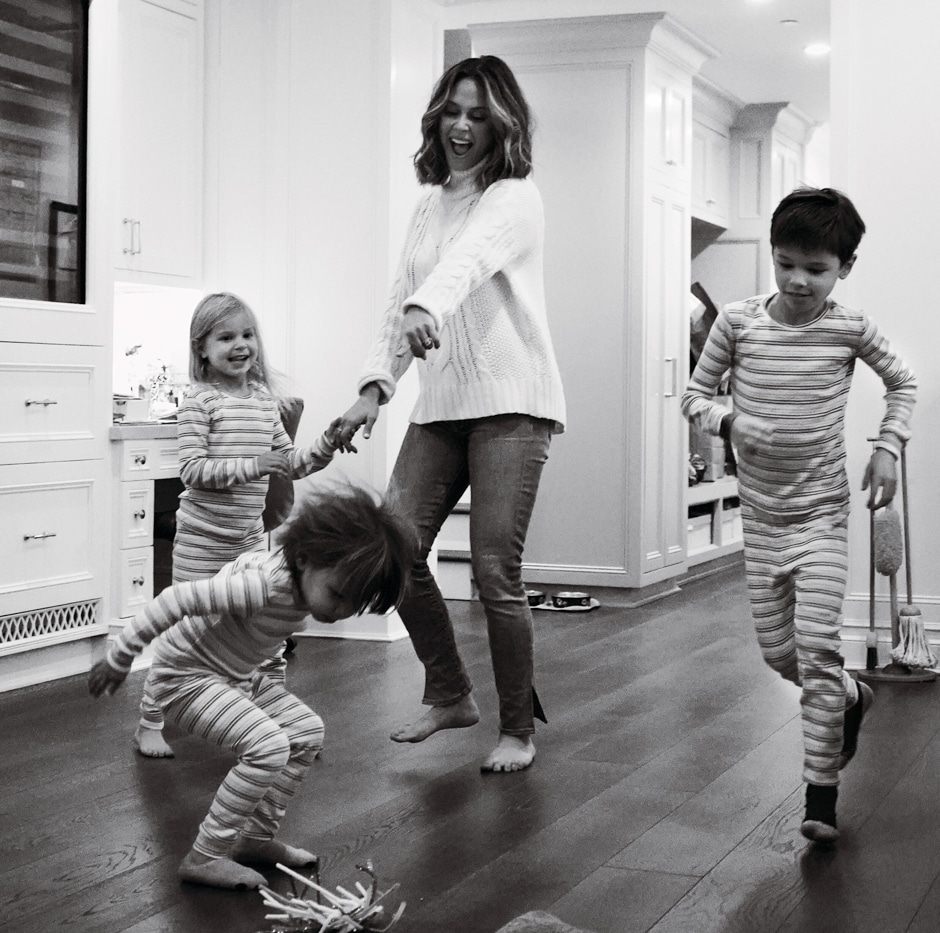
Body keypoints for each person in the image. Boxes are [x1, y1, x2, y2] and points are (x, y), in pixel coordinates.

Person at [332, 56, 566, 774]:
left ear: (504, 123)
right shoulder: (428, 203)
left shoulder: (516, 198)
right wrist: (375, 384)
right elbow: (401, 295)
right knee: (392, 548)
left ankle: (517, 729)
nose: (462, 126)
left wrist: (424, 305)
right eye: (452, 112)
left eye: (478, 114)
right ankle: (449, 690)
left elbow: (462, 265)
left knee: (496, 568)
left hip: (513, 406)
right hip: (443, 406)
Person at [681, 187, 916, 844]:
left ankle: (820, 797)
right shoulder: (736, 322)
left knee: (815, 650)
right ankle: (852, 697)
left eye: (816, 269)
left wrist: (888, 446)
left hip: (822, 517)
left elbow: (904, 382)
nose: (798, 280)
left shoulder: (847, 327)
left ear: (844, 267)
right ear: (774, 256)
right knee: (780, 652)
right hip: (760, 520)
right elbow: (695, 397)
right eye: (786, 263)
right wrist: (731, 420)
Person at [89, 485, 414, 890]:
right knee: (268, 747)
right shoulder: (261, 586)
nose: (340, 611)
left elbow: (268, 644)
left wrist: (267, 697)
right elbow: (174, 600)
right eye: (337, 595)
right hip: (186, 677)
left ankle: (255, 840)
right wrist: (120, 658)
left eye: (355, 605)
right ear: (302, 558)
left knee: (306, 732)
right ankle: (205, 856)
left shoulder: (301, 591)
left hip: (235, 674)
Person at [135, 291, 344, 758]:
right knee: (184, 632)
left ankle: (273, 713)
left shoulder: (263, 401)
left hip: (248, 541)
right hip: (201, 541)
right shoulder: (199, 403)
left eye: (247, 334)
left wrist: (327, 443)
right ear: (202, 350)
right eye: (225, 336)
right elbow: (192, 471)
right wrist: (255, 465)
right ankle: (150, 720)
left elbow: (288, 462)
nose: (240, 344)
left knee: (267, 631)